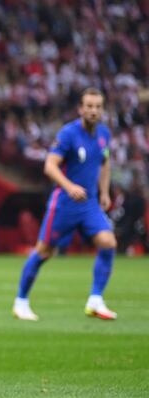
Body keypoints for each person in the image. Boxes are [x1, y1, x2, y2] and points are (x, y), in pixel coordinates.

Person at [13, 88, 118, 321]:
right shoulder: (69, 134)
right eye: (89, 106)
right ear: (80, 109)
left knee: (108, 242)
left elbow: (105, 162)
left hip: (89, 203)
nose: (93, 111)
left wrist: (104, 192)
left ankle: (95, 300)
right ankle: (21, 301)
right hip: (64, 204)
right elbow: (50, 166)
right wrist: (69, 186)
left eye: (98, 107)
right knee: (44, 251)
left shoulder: (104, 134)